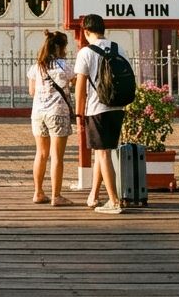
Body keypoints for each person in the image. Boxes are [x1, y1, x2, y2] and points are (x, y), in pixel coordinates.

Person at [73, 14, 126, 214]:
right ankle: (94, 195)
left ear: (86, 31)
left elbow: (80, 87)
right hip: (117, 107)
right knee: (101, 151)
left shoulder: (86, 52)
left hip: (97, 108)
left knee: (103, 154)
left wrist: (79, 114)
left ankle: (114, 201)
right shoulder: (118, 48)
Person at [27, 30, 74, 206]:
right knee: (57, 156)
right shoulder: (64, 66)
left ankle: (38, 192)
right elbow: (76, 83)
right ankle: (56, 196)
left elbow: (32, 91)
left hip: (38, 114)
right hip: (58, 113)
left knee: (41, 153)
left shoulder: (37, 67)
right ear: (60, 47)